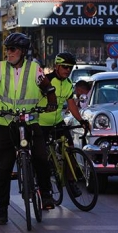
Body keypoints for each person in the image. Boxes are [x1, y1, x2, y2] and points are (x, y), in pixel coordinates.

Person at [0, 33, 58, 225]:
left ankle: (47, 194)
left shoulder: (34, 68)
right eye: (6, 49)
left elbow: (47, 87)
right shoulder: (0, 67)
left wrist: (52, 101)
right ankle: (2, 209)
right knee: (4, 168)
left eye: (12, 49)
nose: (8, 53)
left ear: (23, 52)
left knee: (41, 157)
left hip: (30, 121)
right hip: (6, 123)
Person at [37, 52, 91, 210]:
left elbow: (71, 105)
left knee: (70, 151)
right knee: (41, 159)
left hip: (58, 122)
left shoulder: (68, 83)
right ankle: (43, 188)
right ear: (57, 66)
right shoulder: (46, 80)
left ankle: (72, 182)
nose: (68, 70)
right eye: (65, 67)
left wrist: (81, 120)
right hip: (41, 123)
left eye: (70, 67)